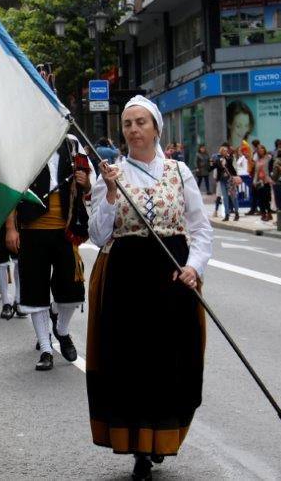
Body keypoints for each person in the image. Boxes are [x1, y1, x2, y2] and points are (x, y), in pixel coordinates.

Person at [88, 96, 212, 481]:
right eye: (127, 124)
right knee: (132, 364)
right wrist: (109, 194)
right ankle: (140, 449)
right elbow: (98, 234)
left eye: (141, 122)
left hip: (172, 277)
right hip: (127, 279)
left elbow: (201, 229)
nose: (134, 130)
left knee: (171, 361)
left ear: (156, 128)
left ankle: (163, 438)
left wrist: (194, 267)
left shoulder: (179, 172)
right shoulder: (111, 174)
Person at [14, 133, 93, 370]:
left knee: (71, 289)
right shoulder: (22, 145)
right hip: (32, 229)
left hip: (66, 229)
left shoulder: (71, 144)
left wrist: (85, 182)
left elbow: (91, 185)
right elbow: (10, 191)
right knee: (35, 291)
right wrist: (10, 228)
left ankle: (62, 330)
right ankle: (45, 347)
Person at [214, 144, 240, 221]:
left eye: (226, 151)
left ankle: (237, 213)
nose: (226, 152)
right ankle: (227, 214)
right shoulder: (218, 159)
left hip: (230, 179)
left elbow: (232, 168)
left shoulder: (229, 159)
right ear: (221, 152)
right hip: (222, 180)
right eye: (224, 151)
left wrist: (236, 176)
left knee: (233, 196)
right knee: (225, 197)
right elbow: (216, 168)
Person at [252, 144, 274, 222]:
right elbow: (256, 172)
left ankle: (269, 213)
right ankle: (263, 213)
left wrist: (271, 178)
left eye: (262, 149)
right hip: (259, 182)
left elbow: (271, 169)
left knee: (266, 198)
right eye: (259, 149)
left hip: (266, 181)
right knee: (260, 199)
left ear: (264, 150)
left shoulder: (268, 158)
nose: (260, 151)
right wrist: (254, 181)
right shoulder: (258, 161)